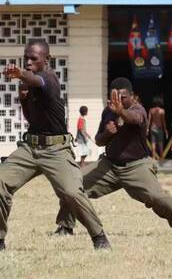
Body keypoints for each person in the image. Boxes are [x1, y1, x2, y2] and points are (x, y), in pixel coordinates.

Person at [0, 40, 110, 250]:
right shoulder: (30, 85)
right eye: (26, 58)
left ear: (46, 60)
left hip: (56, 150)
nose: (29, 62)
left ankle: (99, 237)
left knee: (71, 192)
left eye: (34, 58)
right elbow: (32, 118)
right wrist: (23, 99)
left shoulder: (48, 78)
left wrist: (21, 74)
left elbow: (35, 79)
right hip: (30, 147)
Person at [54, 77, 172, 236]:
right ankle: (65, 227)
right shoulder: (107, 112)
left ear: (132, 96)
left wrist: (121, 112)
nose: (118, 101)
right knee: (73, 186)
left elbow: (135, 119)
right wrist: (107, 133)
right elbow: (98, 140)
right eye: (115, 97)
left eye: (123, 97)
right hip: (109, 165)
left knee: (157, 197)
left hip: (137, 166)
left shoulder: (138, 110)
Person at [148, 96, 168, 160]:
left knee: (153, 143)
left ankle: (153, 157)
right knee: (160, 143)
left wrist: (147, 129)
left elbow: (149, 120)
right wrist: (165, 130)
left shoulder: (151, 110)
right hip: (159, 128)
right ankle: (161, 157)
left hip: (152, 128)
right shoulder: (162, 111)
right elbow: (163, 121)